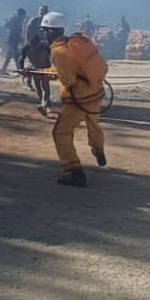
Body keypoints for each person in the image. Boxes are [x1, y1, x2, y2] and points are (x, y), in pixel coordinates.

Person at [41, 11, 108, 187]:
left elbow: (68, 79)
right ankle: (98, 149)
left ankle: (74, 172)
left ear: (49, 32)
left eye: (45, 31)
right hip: (95, 92)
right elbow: (74, 69)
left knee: (60, 132)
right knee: (93, 123)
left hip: (79, 99)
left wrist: (48, 75)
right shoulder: (75, 43)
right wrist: (46, 72)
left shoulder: (58, 51)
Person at [24, 6, 54, 114]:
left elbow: (53, 38)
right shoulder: (33, 22)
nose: (42, 13)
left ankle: (44, 104)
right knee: (37, 82)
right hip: (34, 56)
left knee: (45, 82)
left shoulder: (50, 23)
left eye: (44, 11)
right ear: (38, 11)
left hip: (44, 55)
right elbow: (27, 37)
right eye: (41, 11)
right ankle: (43, 102)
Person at [0, 7, 27, 75]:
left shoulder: (19, 20)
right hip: (12, 41)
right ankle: (19, 71)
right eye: (23, 15)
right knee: (16, 57)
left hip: (12, 41)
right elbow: (8, 27)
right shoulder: (15, 20)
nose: (24, 16)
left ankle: (3, 69)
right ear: (20, 14)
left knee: (8, 56)